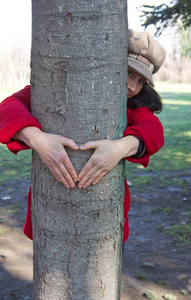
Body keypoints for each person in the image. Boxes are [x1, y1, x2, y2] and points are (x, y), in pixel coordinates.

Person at [0, 29, 165, 243]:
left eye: (141, 81)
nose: (132, 86)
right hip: (51, 207)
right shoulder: (58, 88)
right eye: (129, 72)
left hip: (103, 215)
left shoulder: (133, 106)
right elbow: (8, 107)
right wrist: (36, 138)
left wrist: (121, 147)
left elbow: (153, 130)